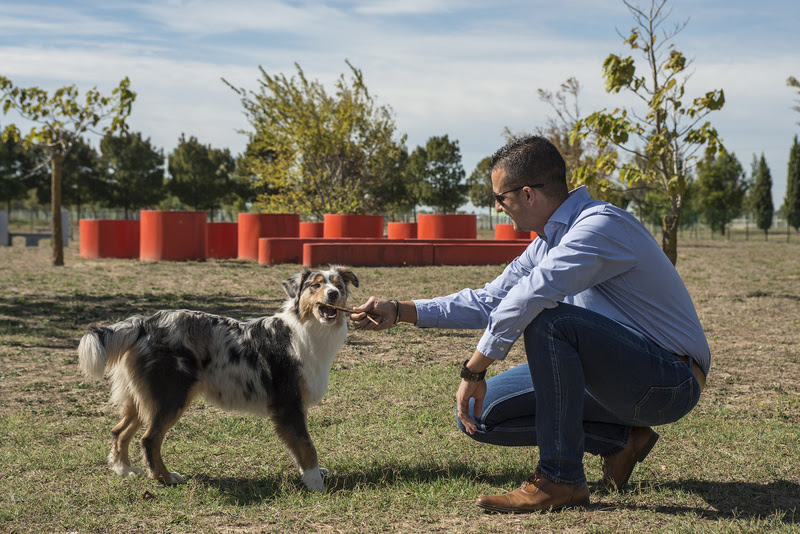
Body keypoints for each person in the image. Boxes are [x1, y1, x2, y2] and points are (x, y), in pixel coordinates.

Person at [351, 135, 709, 513]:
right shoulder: (546, 243)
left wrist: (473, 369)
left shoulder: (599, 227)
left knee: (549, 321)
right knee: (480, 416)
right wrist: (401, 309)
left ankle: (561, 479)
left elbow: (530, 296)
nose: (498, 207)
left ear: (527, 194)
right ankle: (621, 441)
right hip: (611, 380)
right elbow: (492, 300)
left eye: (498, 198)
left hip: (668, 382)